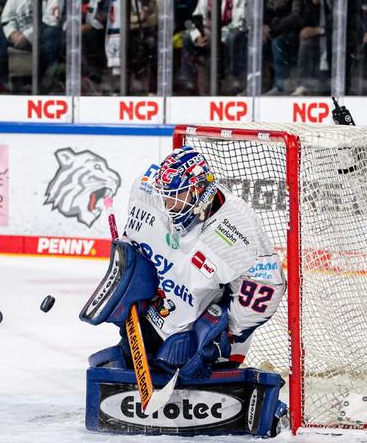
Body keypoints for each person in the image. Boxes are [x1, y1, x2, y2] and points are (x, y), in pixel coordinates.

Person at [120, 147, 284, 376]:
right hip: (164, 314)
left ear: (199, 190)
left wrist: (223, 334)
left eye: (176, 195)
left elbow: (268, 284)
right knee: (128, 352)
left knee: (177, 360)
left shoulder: (237, 226)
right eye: (165, 194)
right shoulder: (152, 195)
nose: (168, 204)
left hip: (208, 339)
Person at [0, 0, 65, 93]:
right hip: (19, 37)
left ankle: (46, 81)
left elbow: (52, 19)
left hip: (41, 38)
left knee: (53, 33)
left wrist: (28, 35)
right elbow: (7, 17)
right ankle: (2, 83)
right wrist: (13, 33)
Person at [178, 0, 250, 95]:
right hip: (210, 33)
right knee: (188, 37)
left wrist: (217, 36)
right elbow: (197, 16)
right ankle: (187, 77)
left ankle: (235, 77)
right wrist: (199, 35)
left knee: (234, 37)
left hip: (231, 34)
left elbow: (241, 23)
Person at [263, 0, 306, 94]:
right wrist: (263, 25)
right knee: (255, 42)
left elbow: (296, 15)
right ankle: (261, 84)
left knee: (278, 43)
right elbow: (262, 11)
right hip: (272, 29)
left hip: (291, 30)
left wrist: (273, 29)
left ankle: (281, 86)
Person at [291, 0, 332, 95]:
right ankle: (303, 85)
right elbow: (302, 22)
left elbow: (339, 23)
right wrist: (314, 0)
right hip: (315, 37)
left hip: (332, 36)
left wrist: (319, 31)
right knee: (306, 41)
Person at [126, 0, 160, 95]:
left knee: (153, 43)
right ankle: (125, 86)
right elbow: (120, 13)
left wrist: (145, 21)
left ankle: (153, 89)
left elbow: (161, 13)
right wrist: (138, 19)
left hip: (153, 27)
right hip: (131, 29)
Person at [80, 0, 111, 92]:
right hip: (80, 27)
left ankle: (94, 78)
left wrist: (90, 25)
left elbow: (108, 11)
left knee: (90, 36)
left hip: (101, 28)